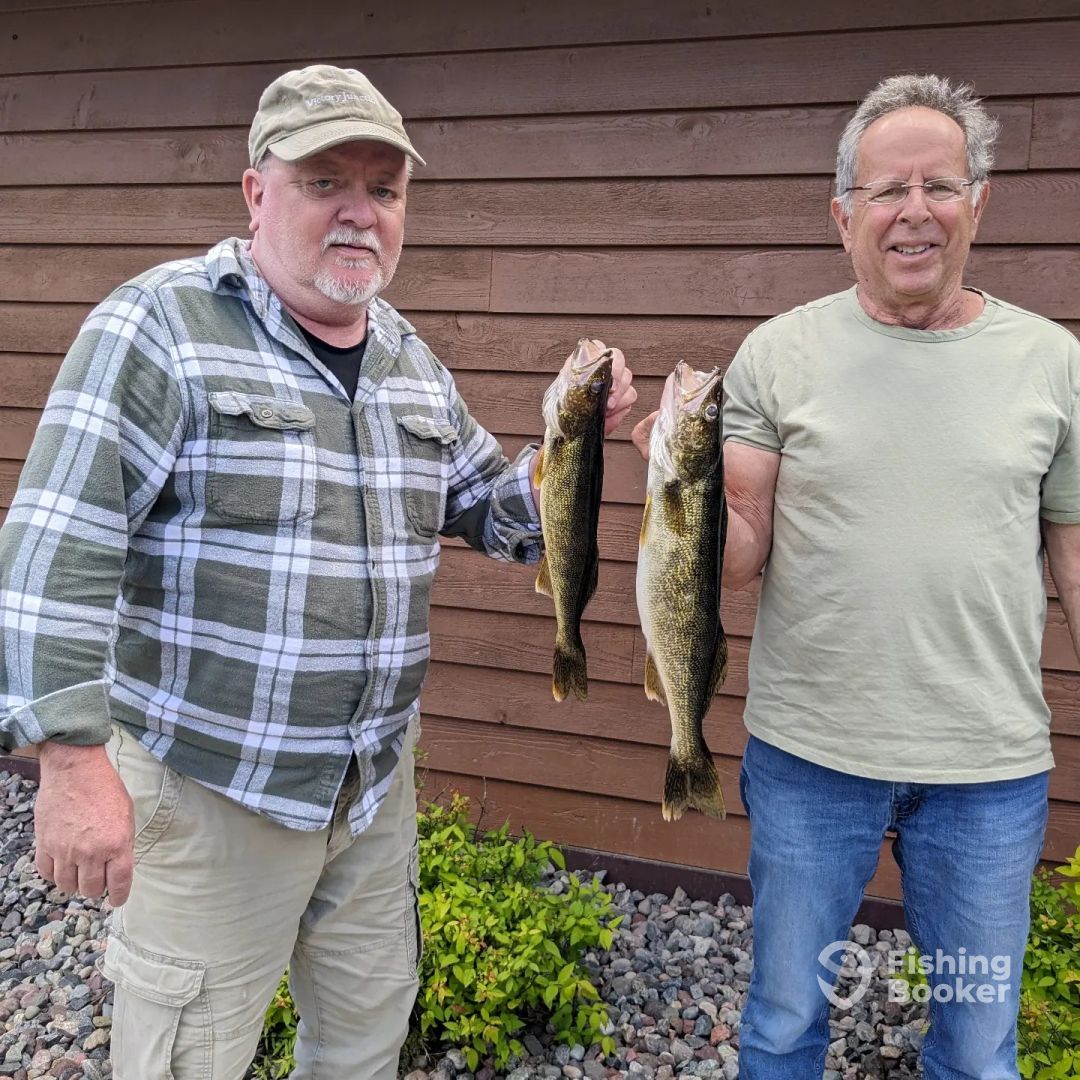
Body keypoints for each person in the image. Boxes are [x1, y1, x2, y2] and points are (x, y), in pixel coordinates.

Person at [0, 65, 636, 1079]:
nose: (359, 212)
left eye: (384, 189)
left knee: (362, 1046)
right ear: (257, 193)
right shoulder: (160, 326)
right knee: (187, 1059)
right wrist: (72, 765)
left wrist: (574, 443)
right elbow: (54, 548)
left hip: (372, 789)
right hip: (213, 791)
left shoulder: (409, 361)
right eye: (324, 181)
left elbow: (500, 517)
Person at [632, 74, 1080, 1079]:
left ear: (978, 203)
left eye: (939, 185)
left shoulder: (1054, 364)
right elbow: (738, 555)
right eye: (887, 190)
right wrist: (679, 483)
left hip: (987, 765)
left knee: (978, 1044)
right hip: (811, 754)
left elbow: (1075, 556)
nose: (914, 210)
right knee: (786, 1020)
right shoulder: (777, 354)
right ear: (844, 216)